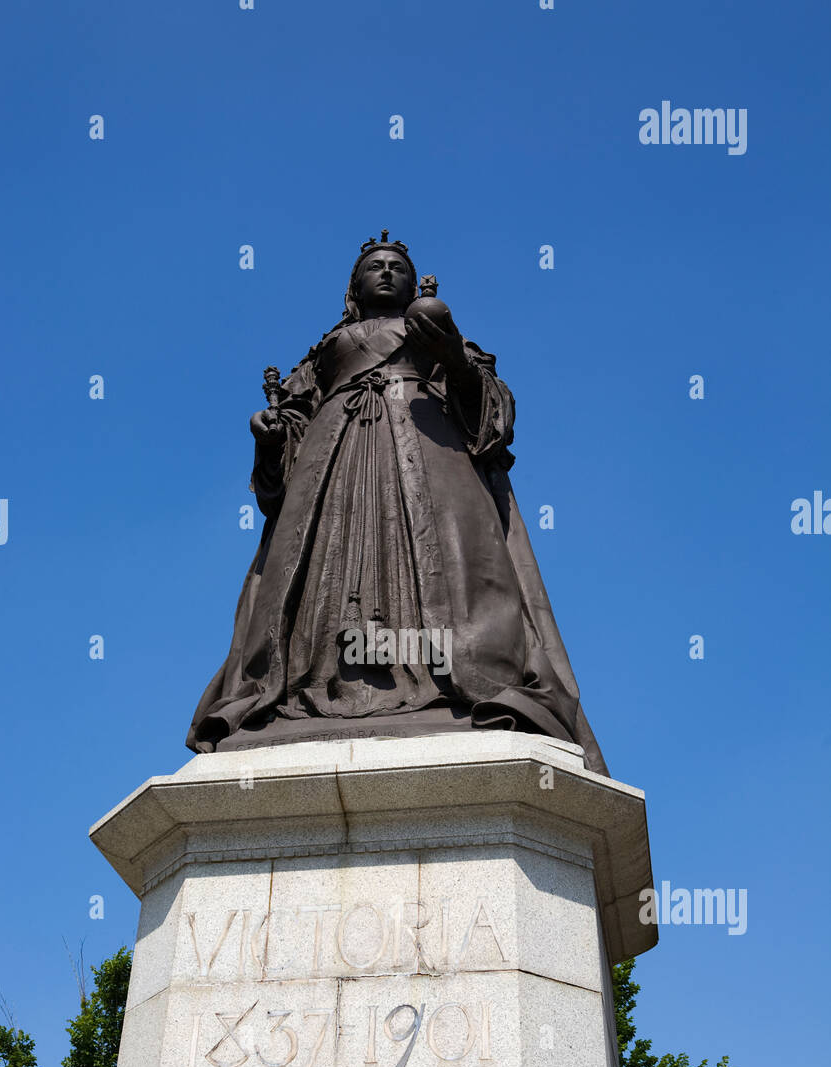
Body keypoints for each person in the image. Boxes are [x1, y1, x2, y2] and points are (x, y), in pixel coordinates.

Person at [187, 232, 607, 776]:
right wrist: (270, 434)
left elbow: (494, 417)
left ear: (415, 283)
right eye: (374, 266)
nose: (386, 272)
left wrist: (453, 358)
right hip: (332, 462)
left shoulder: (438, 335)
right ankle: (314, 680)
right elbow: (290, 434)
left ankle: (451, 683)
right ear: (353, 287)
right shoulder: (322, 354)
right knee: (325, 568)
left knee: (446, 567)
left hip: (429, 451)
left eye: (397, 267)